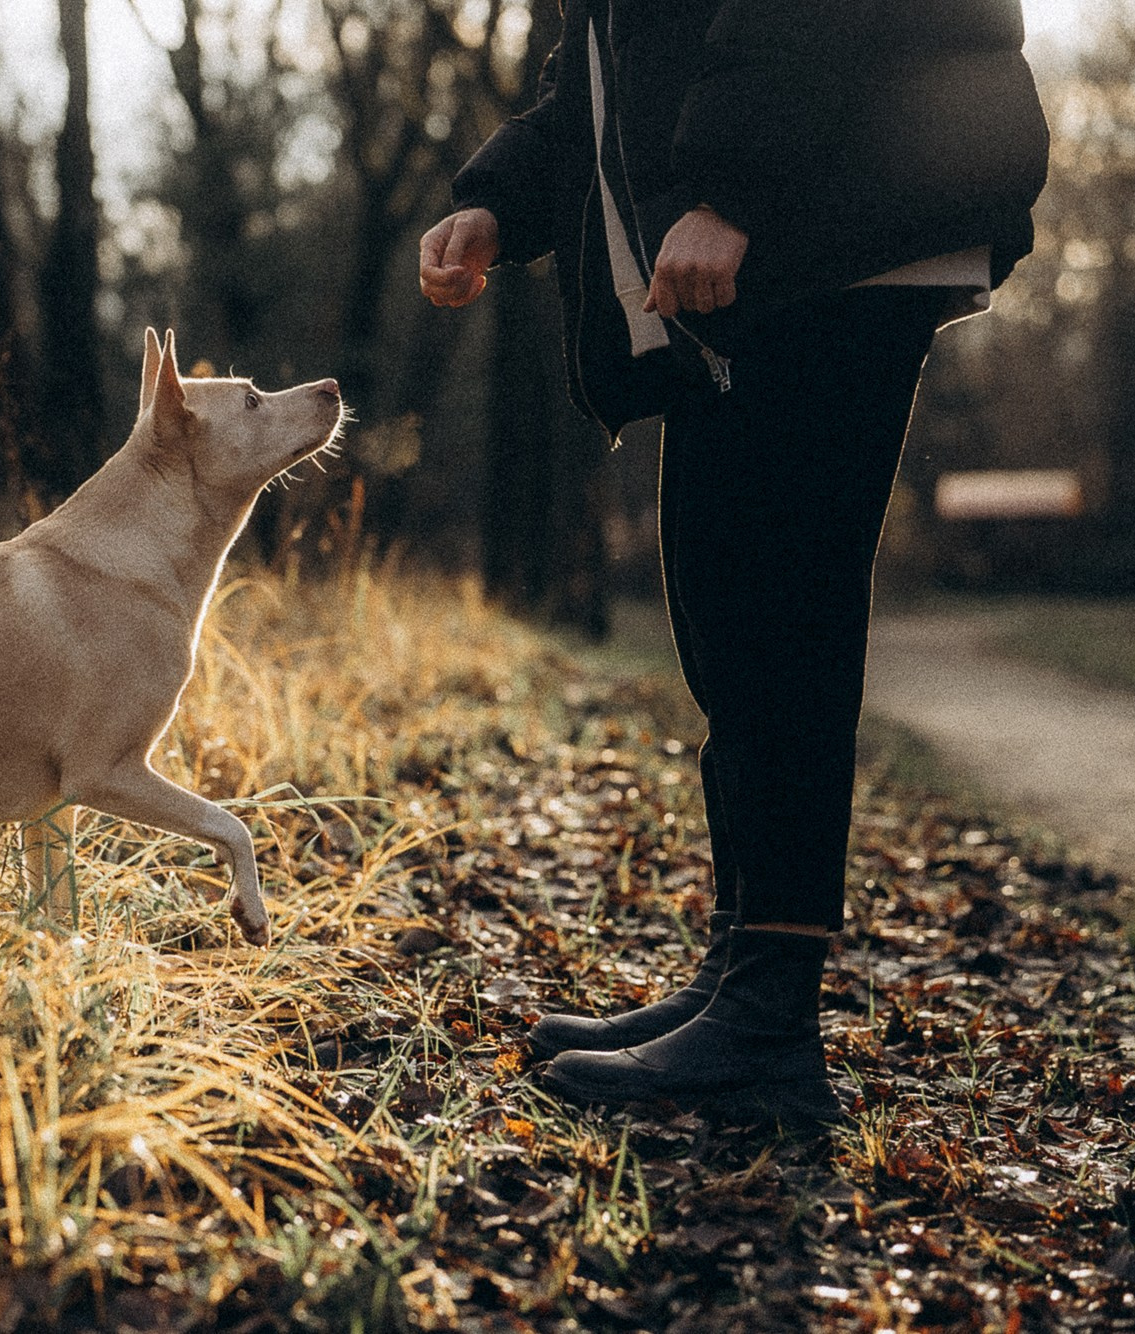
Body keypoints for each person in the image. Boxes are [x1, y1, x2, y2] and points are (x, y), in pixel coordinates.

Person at [418, 0, 1048, 1126]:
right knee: (723, 603)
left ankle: (767, 1022)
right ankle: (742, 966)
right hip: (785, 226)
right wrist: (495, 201)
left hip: (830, 214)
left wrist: (730, 191)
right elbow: (604, 75)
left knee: (778, 605)